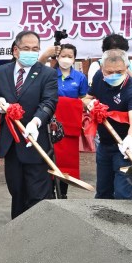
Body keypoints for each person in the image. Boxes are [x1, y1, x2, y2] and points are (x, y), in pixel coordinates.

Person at [0, 31, 58, 219]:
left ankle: (38, 234)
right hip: (11, 144)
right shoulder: (1, 72)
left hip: (35, 142)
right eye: (26, 48)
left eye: (35, 49)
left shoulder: (47, 74)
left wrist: (36, 121)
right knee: (16, 191)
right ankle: (17, 232)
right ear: (16, 51)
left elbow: (49, 102)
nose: (31, 52)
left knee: (37, 194)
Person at [82, 48, 132, 200]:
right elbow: (86, 98)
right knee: (103, 192)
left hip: (127, 145)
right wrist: (90, 104)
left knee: (123, 193)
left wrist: (130, 139)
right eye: (109, 72)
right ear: (102, 68)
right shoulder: (98, 77)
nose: (113, 75)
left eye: (119, 71)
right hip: (105, 142)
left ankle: (125, 223)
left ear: (126, 68)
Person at [46, 43, 88, 199]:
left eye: (70, 56)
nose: (66, 59)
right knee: (50, 157)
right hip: (51, 123)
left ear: (74, 58)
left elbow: (83, 99)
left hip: (69, 127)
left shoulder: (80, 78)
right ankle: (49, 192)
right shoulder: (49, 74)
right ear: (57, 57)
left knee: (66, 162)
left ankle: (63, 193)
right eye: (63, 56)